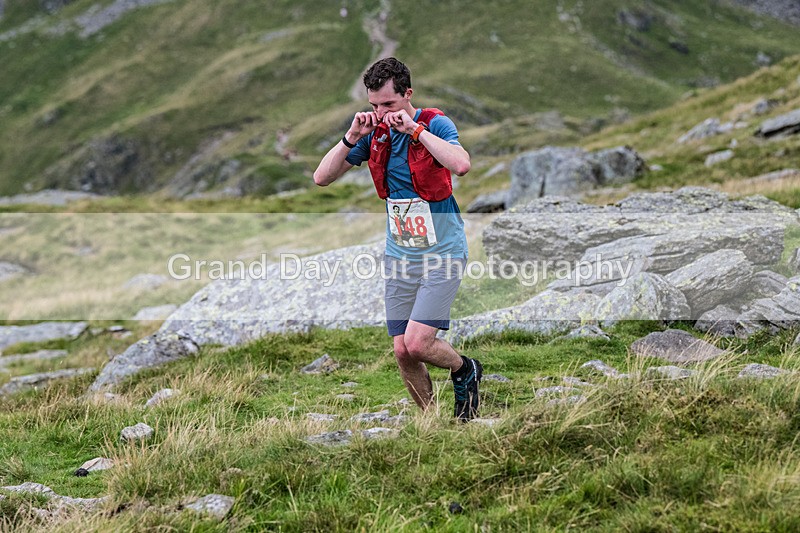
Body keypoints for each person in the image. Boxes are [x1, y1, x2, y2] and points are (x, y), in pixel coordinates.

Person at [313, 57, 483, 421]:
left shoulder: (434, 123)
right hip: (400, 256)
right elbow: (322, 177)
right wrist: (352, 136)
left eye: (388, 104)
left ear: (408, 95)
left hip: (443, 252)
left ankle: (464, 369)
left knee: (419, 343)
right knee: (402, 351)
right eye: (374, 105)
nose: (381, 112)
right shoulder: (373, 132)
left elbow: (461, 165)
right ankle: (430, 422)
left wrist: (415, 131)